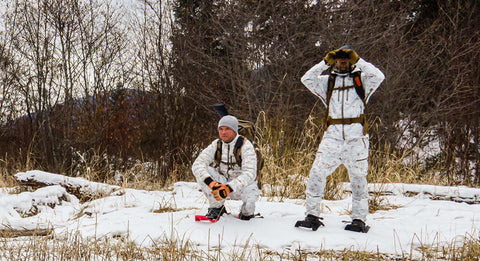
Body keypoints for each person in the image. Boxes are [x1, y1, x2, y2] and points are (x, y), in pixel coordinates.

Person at [295, 45, 385, 232]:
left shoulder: (363, 80)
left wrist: (358, 60)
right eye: (339, 58)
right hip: (332, 138)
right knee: (316, 174)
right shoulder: (328, 81)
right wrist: (324, 62)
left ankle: (359, 219)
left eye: (346, 58)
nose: (342, 61)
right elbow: (306, 79)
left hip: (356, 139)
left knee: (358, 179)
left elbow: (379, 76)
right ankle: (312, 215)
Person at [192, 115, 260, 220]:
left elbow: (250, 173)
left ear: (235, 130)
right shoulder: (216, 145)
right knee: (205, 171)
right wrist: (211, 183)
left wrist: (228, 188)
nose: (223, 132)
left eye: (227, 129)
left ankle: (246, 213)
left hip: (240, 185)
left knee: (250, 199)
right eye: (221, 129)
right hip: (221, 182)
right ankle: (216, 208)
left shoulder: (246, 146)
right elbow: (197, 164)